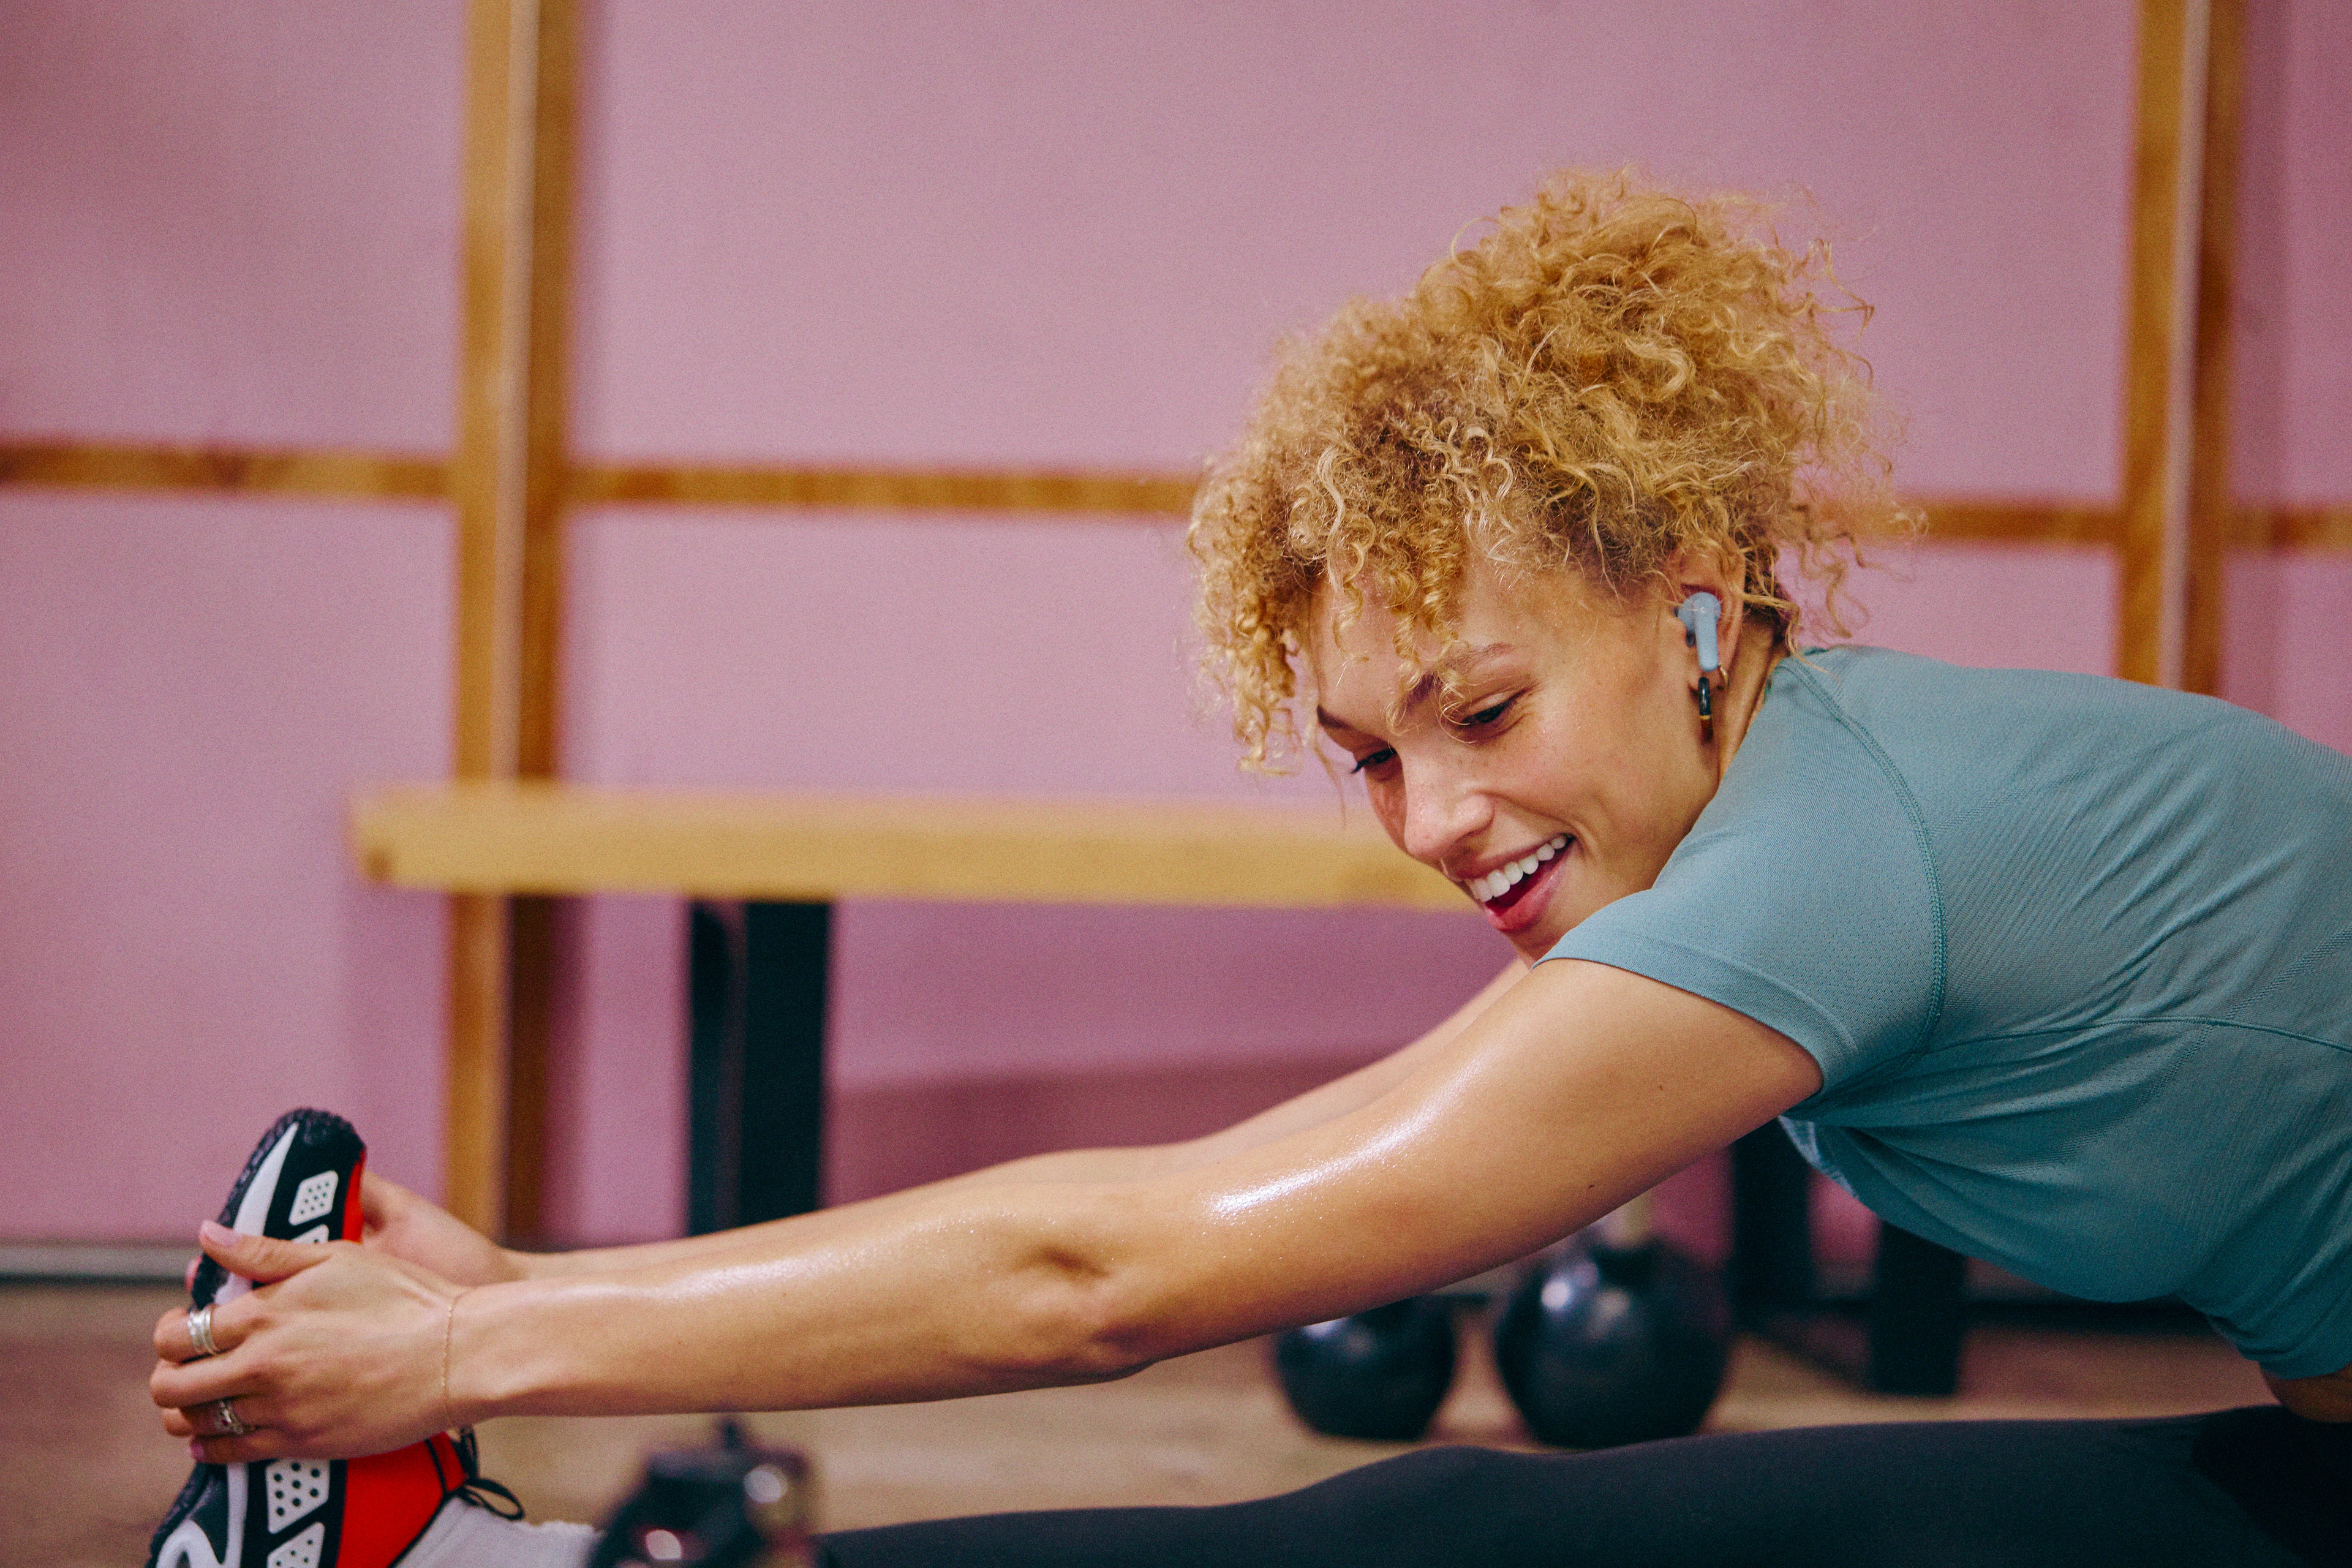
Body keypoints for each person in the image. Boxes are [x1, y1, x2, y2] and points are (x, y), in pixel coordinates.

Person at [148, 170, 2351, 1567]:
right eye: (1372, 756)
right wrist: (514, 1302)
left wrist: (475, 1351)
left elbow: (1103, 1280)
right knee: (1444, 1533)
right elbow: (1210, 1190)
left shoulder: (1834, 865)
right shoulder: (1802, 803)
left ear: (1693, 597)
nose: (1436, 821)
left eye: (1484, 713)